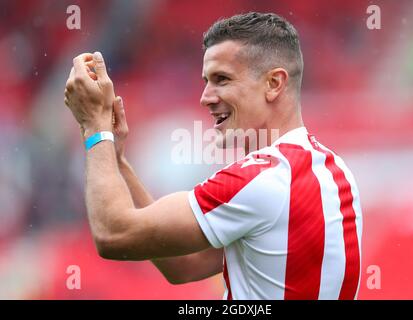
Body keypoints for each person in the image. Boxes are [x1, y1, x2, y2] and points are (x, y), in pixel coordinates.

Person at [64, 12, 363, 300]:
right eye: (207, 81)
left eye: (222, 79)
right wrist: (118, 161)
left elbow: (113, 234)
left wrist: (95, 126)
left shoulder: (258, 179)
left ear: (274, 84)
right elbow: (185, 264)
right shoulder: (334, 170)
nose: (205, 97)